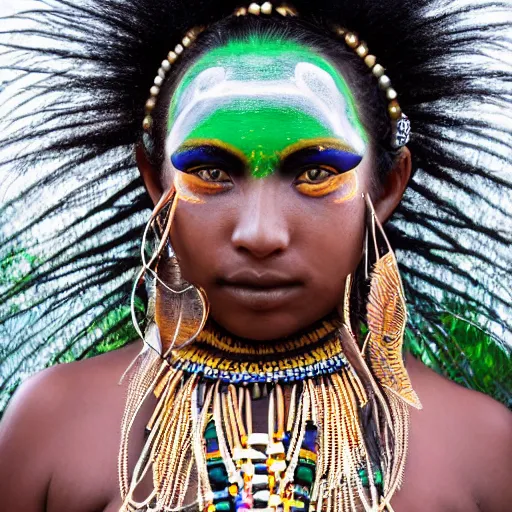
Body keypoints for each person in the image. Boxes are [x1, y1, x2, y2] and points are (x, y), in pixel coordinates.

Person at [0, 0, 511, 511]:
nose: (260, 233)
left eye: (314, 173)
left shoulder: (484, 451)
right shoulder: (51, 426)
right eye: (212, 171)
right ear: (156, 182)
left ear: (386, 187)